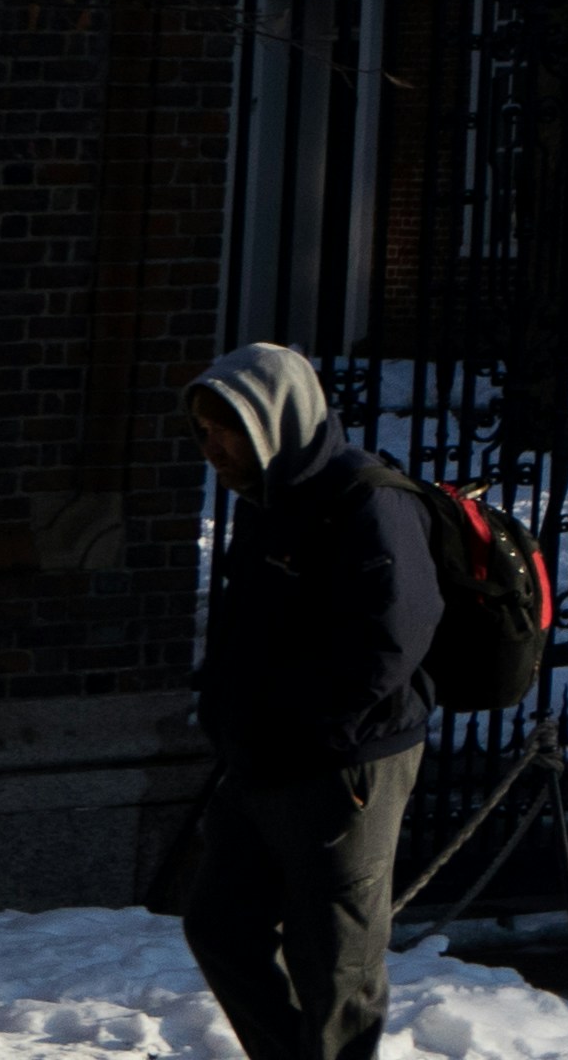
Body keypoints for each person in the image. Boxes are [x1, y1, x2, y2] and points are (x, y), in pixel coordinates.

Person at [175, 341, 437, 1060]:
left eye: (226, 425)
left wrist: (315, 734)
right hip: (261, 761)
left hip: (341, 768)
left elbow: (392, 637)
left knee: (337, 970)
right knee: (220, 926)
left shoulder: (364, 500)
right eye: (203, 429)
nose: (214, 445)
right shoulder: (269, 499)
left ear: (275, 419)